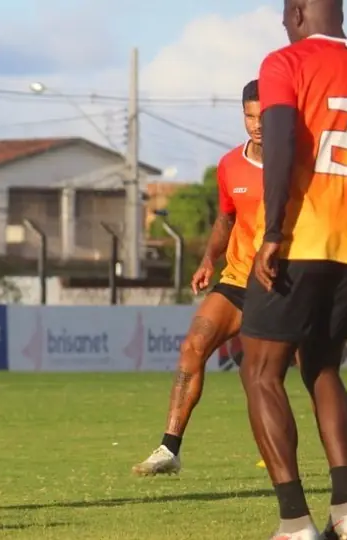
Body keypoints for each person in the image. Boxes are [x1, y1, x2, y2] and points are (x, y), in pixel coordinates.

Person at [239, 0, 347, 538]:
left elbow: (280, 141)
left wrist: (274, 232)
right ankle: (346, 511)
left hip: (302, 239)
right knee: (323, 367)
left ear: (299, 11)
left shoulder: (285, 62)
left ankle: (294, 522)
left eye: (285, 13)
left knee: (260, 371)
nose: (284, 23)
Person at [132, 80, 265, 477]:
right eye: (250, 116)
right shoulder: (230, 165)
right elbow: (226, 218)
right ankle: (169, 448)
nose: (257, 124)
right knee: (193, 345)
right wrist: (209, 259)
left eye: (264, 116)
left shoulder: (297, 163)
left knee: (273, 373)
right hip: (238, 279)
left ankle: (307, 454)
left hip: (283, 282)